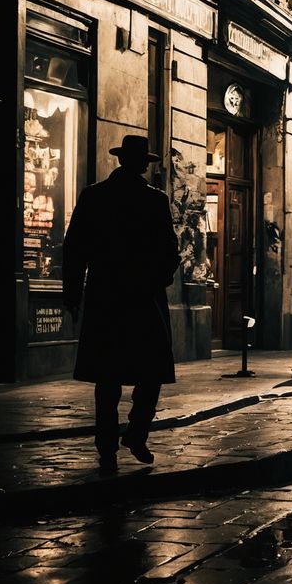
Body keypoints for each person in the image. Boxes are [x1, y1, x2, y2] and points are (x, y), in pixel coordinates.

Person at [62, 135, 180, 475]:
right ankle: (137, 433)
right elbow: (169, 251)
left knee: (107, 376)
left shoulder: (94, 196)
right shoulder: (154, 200)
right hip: (143, 297)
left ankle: (107, 446)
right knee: (151, 371)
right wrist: (157, 279)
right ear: (141, 163)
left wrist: (72, 293)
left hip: (106, 296)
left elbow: (74, 249)